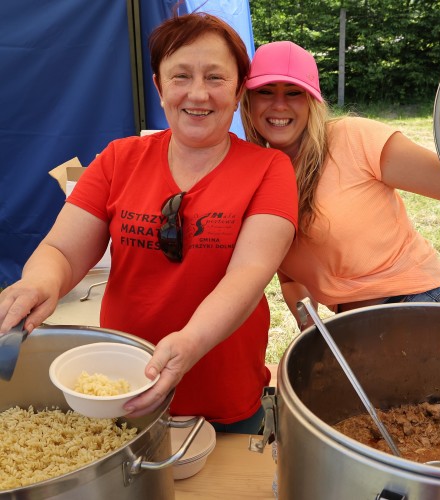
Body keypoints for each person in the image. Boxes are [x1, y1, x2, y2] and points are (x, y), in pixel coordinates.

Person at [0, 14, 298, 433]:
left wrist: (191, 340)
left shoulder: (269, 169)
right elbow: (62, 251)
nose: (198, 93)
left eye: (215, 77)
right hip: (122, 392)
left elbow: (248, 276)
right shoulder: (119, 159)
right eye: (181, 76)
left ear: (236, 91)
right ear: (159, 87)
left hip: (224, 398)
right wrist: (40, 283)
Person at [240, 40, 440, 330]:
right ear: (248, 100)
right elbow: (290, 277)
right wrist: (314, 332)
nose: (278, 104)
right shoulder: (259, 177)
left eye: (294, 92)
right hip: (357, 330)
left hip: (425, 307)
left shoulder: (352, 138)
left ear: (312, 101)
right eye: (265, 92)